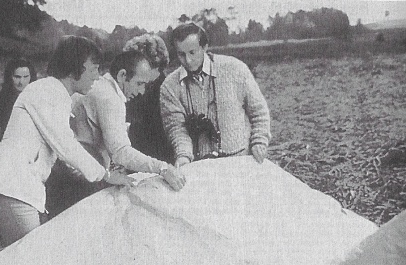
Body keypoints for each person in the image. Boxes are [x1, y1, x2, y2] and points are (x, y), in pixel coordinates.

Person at [0, 36, 134, 246]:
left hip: (18, 191)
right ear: (73, 69)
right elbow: (66, 146)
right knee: (33, 262)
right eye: (94, 69)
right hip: (13, 190)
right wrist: (105, 175)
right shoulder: (48, 91)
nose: (97, 77)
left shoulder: (56, 93)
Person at [46, 50, 186, 218]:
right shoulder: (109, 98)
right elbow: (121, 152)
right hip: (75, 179)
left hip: (62, 172)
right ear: (122, 75)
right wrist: (162, 168)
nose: (142, 91)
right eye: (139, 83)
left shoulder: (100, 85)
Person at [160, 23, 271, 167]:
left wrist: (259, 142)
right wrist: (183, 155)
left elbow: (259, 112)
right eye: (181, 54)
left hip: (241, 162)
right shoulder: (169, 87)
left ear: (204, 47)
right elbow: (176, 128)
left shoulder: (235, 69)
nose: (187, 60)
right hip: (201, 166)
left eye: (192, 52)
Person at [123, 34, 174, 163]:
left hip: (166, 158)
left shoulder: (169, 88)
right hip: (137, 157)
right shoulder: (133, 87)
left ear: (156, 65)